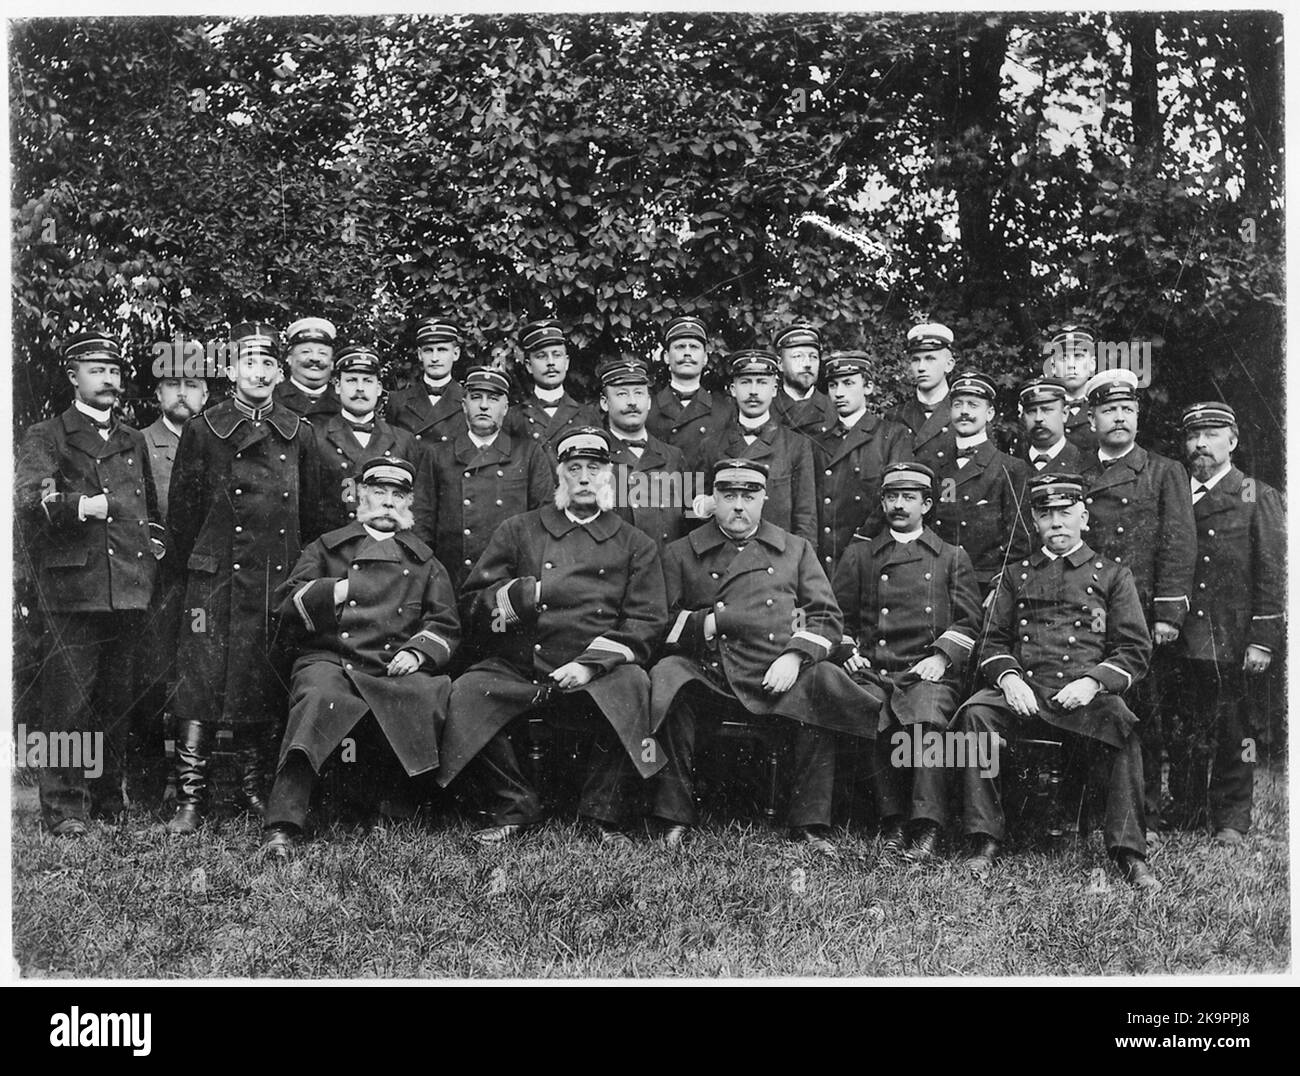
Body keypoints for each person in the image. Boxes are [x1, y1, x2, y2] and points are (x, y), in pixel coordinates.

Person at [436, 428, 671, 844]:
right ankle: (514, 805)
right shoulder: (519, 529)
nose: (584, 478)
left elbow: (646, 620)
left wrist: (588, 665)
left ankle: (601, 815)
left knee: (635, 686)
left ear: (608, 478)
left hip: (596, 666)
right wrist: (527, 595)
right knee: (467, 691)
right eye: (573, 468)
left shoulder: (635, 542)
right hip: (524, 663)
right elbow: (473, 605)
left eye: (594, 469)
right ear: (559, 477)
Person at [650, 459, 884, 856]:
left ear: (763, 499)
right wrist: (712, 623)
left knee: (822, 683)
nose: (738, 506)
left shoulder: (794, 549)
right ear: (713, 500)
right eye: (728, 496)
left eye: (748, 496)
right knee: (669, 676)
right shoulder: (681, 552)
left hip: (778, 669)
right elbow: (660, 621)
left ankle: (809, 823)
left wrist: (795, 656)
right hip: (712, 671)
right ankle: (674, 816)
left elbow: (825, 616)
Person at [950, 473, 1158, 890]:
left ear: (1084, 517)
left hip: (1083, 694)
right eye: (1046, 515)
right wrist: (1009, 679)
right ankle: (984, 839)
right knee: (975, 715)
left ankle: (1129, 853)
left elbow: (1134, 648)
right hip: (1025, 690)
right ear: (1035, 521)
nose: (1056, 523)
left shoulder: (1114, 575)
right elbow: (992, 640)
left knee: (1123, 727)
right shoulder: (1016, 574)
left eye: (1065, 513)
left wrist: (1093, 683)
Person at [164, 321, 324, 835]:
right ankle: (190, 800)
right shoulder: (204, 429)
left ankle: (257, 790)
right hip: (212, 579)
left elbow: (314, 517)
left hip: (273, 579)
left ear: (280, 373)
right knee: (200, 682)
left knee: (264, 679)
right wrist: (194, 571)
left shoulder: (300, 433)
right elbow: (182, 516)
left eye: (267, 363)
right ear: (231, 371)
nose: (257, 371)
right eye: (247, 362)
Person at [257, 457, 460, 859]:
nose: (387, 502)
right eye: (379, 493)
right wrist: (337, 590)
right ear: (360, 495)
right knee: (316, 697)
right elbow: (284, 600)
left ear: (408, 503)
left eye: (397, 495)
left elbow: (445, 622)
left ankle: (389, 811)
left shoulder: (423, 559)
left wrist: (418, 652)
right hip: (331, 657)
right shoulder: (328, 546)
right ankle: (283, 824)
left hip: (391, 663)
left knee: (421, 695)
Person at [15, 331, 166, 835]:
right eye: (97, 370)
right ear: (73, 376)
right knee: (67, 703)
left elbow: (150, 508)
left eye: (115, 371)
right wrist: (79, 505)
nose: (109, 380)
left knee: (115, 703)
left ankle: (107, 798)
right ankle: (64, 806)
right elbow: (27, 500)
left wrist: (154, 546)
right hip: (74, 589)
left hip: (127, 586)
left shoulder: (132, 439)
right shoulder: (48, 435)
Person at [832, 462, 981, 861]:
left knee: (927, 721)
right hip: (875, 669)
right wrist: (848, 652)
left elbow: (969, 620)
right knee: (870, 711)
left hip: (925, 671)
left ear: (927, 504)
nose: (899, 505)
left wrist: (941, 656)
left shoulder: (950, 557)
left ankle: (927, 828)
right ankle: (893, 822)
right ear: (882, 501)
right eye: (892, 497)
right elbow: (836, 617)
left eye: (909, 498)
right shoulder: (860, 554)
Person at [1077, 367, 1195, 834]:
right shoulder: (1081, 475)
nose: (1119, 418)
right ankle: (1088, 807)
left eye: (1127, 409)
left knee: (1144, 712)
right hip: (1088, 609)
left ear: (1138, 417)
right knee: (1093, 706)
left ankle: (1142, 811)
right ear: (1092, 420)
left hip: (1141, 613)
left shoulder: (1165, 471)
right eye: (1109, 411)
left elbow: (1179, 543)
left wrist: (1168, 614)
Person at [1167, 402, 1285, 844]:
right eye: (1194, 436)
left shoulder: (1255, 492)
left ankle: (1232, 819)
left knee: (1236, 728)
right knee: (1185, 725)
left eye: (1212, 435)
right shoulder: (1177, 493)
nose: (1201, 445)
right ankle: (1188, 807)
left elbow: (1273, 571)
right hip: (1184, 631)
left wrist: (1265, 638)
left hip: (1233, 634)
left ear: (1232, 441)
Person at [133, 362, 211, 804]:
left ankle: (204, 783)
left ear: (205, 394)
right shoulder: (140, 442)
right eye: (173, 384)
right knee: (151, 677)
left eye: (193, 385)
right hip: (158, 582)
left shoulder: (219, 440)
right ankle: (146, 785)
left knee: (202, 677)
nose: (182, 394)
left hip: (207, 580)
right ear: (159, 393)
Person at [412, 365, 555, 592]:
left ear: (506, 407)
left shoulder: (528, 454)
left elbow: (545, 521)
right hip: (451, 580)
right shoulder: (438, 455)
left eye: (494, 398)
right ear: (464, 405)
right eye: (476, 397)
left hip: (510, 581)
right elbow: (421, 522)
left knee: (500, 626)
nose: (484, 405)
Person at [690, 349, 818, 544]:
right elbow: (694, 513)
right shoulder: (711, 446)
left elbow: (805, 519)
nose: (753, 391)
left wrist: (799, 567)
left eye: (762, 382)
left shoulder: (796, 446)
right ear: (733, 389)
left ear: (774, 389)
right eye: (745, 382)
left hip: (776, 561)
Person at [928, 369, 1031, 596]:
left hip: (985, 586)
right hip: (939, 583)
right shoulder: (937, 468)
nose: (964, 412)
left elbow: (1020, 540)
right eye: (958, 405)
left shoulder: (1010, 468)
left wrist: (1001, 586)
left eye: (973, 405)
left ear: (990, 413)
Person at [812, 350, 911, 573]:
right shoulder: (817, 442)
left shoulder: (892, 436)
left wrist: (861, 542)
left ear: (868, 387)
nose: (839, 393)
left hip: (871, 556)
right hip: (825, 561)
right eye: (833, 385)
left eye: (848, 383)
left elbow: (894, 500)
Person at [315, 343, 420, 533]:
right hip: (333, 550)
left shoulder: (404, 440)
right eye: (352, 380)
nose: (360, 388)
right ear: (337, 386)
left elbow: (416, 507)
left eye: (368, 381)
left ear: (379, 388)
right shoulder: (316, 436)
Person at [597, 356, 691, 549]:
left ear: (648, 402)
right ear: (605, 403)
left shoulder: (673, 456)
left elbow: (690, 521)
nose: (632, 402)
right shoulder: (595, 458)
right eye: (622, 394)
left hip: (666, 571)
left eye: (639, 393)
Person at [645, 315, 733, 460]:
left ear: (705, 358)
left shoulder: (724, 411)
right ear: (666, 357)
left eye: (694, 347)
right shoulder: (648, 408)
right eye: (680, 347)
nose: (687, 353)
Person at [506, 318, 599, 454]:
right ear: (529, 366)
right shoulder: (513, 417)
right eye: (541, 356)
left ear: (566, 362)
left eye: (556, 355)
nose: (550, 362)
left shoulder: (588, 416)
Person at [385, 316, 469, 447]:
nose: (435, 358)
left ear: (456, 354)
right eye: (428, 350)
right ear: (420, 354)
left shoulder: (468, 401)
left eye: (442, 350)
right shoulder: (398, 401)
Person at [885, 322, 956, 471]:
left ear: (949, 365)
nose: (921, 367)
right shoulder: (895, 415)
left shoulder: (965, 415)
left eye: (930, 358)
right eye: (916, 360)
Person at [771, 322, 836, 439]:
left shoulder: (834, 409)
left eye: (813, 357)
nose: (807, 364)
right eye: (798, 356)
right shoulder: (766, 408)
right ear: (780, 364)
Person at [1044, 325, 1098, 451]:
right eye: (1063, 358)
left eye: (1078, 356)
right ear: (1053, 367)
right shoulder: (1042, 409)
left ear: (1092, 364)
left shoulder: (1102, 407)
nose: (1071, 365)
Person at [274, 316, 341, 418]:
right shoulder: (271, 398)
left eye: (322, 353)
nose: (315, 358)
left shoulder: (345, 401)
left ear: (332, 363)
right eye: (306, 352)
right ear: (289, 358)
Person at [1015, 375, 1084, 473]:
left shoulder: (1085, 464)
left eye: (1047, 410)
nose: (1038, 418)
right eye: (1031, 411)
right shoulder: (1012, 468)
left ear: (1064, 413)